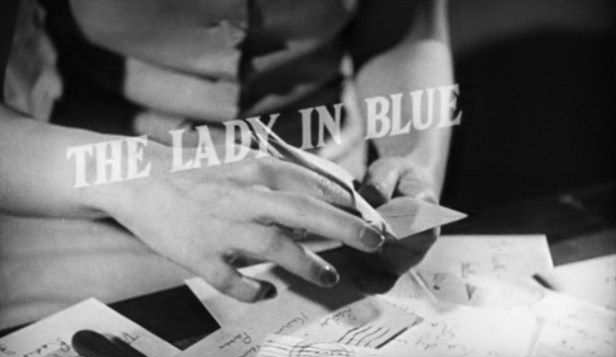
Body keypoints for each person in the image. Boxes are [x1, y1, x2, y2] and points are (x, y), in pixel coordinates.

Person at [0, 0, 454, 313]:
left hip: (325, 199)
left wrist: (411, 164)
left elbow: (403, 33)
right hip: (88, 210)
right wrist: (133, 178)